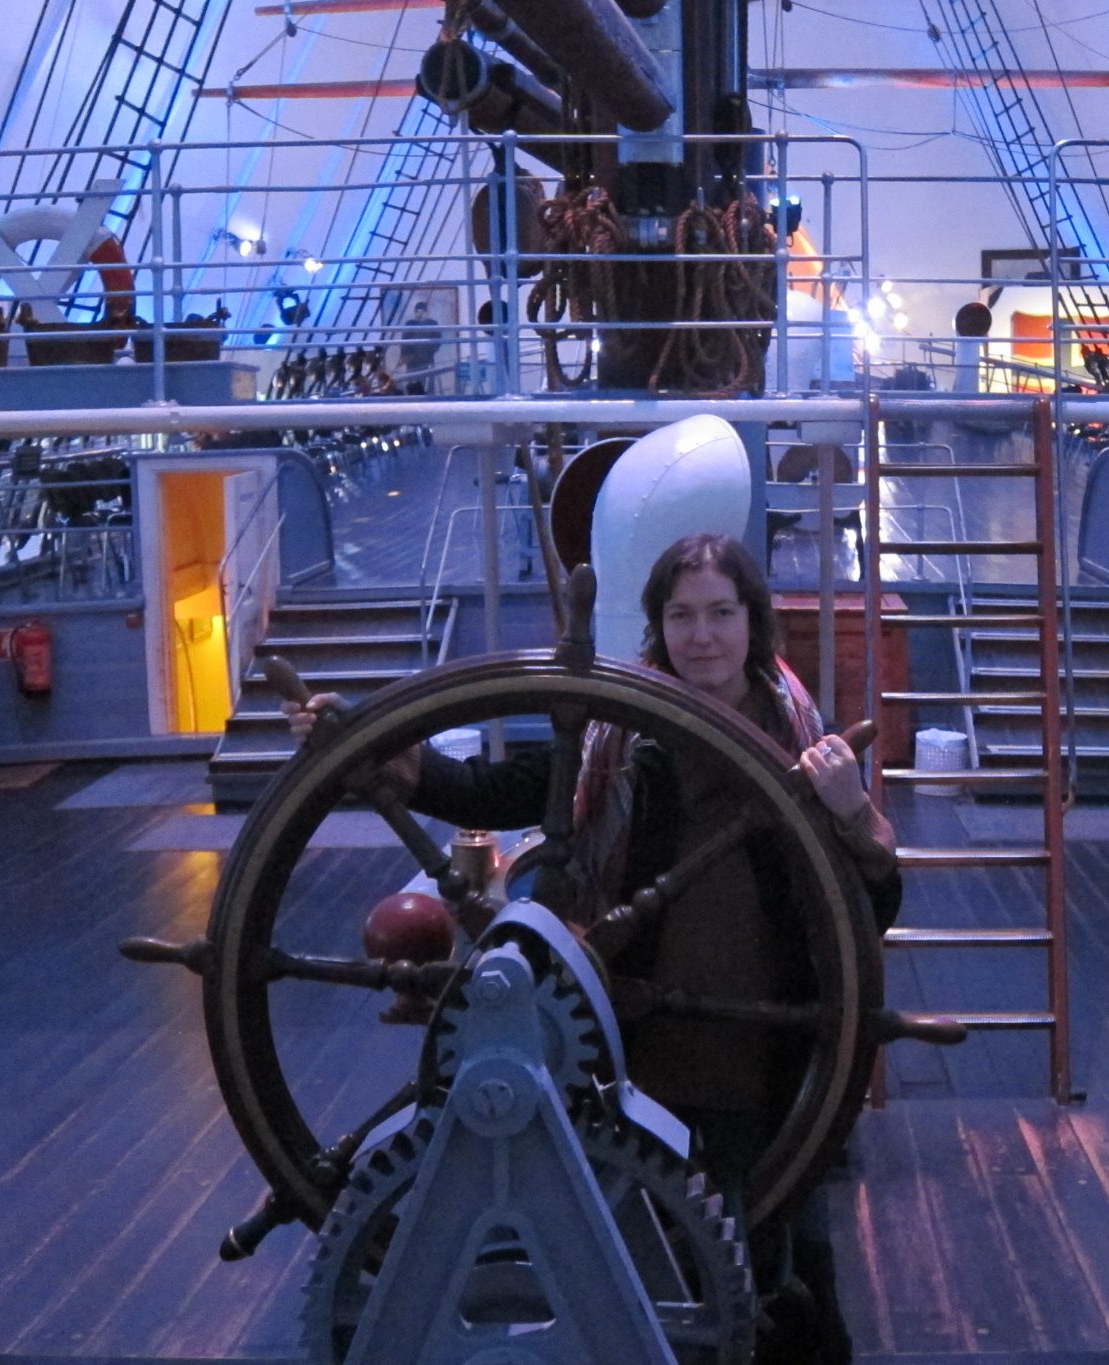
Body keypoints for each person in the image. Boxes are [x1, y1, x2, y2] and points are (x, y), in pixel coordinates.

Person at [284, 532, 894, 1362]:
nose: (703, 636)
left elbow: (872, 908)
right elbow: (497, 788)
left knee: (787, 1282)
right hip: (636, 1065)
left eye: (721, 613)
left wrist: (851, 809)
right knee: (647, 1280)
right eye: (682, 615)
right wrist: (375, 747)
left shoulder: (805, 745)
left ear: (754, 622)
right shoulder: (620, 727)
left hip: (773, 1063)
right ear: (658, 626)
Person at [396, 300, 442, 394]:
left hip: (426, 359)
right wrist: (405, 355)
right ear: (415, 312)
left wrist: (430, 350)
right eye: (417, 311)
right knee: (411, 381)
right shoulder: (410, 324)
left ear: (426, 312)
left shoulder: (432, 324)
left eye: (422, 311)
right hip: (412, 360)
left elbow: (437, 340)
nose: (420, 314)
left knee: (425, 381)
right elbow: (405, 342)